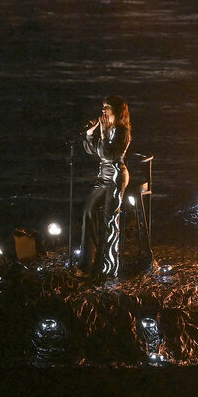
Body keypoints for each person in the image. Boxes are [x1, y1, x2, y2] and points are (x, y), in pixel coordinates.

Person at [79, 95, 131, 278]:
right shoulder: (106, 128)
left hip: (116, 176)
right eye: (103, 106)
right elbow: (91, 150)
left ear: (116, 111)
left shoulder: (122, 131)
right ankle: (89, 261)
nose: (103, 110)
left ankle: (108, 268)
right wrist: (90, 132)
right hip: (103, 177)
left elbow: (108, 154)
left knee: (109, 220)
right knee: (89, 211)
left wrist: (102, 134)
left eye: (107, 107)